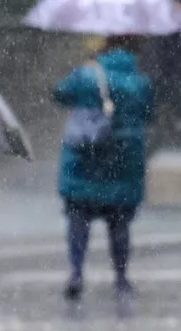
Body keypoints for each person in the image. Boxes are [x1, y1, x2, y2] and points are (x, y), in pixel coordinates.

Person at [53, 34, 154, 301]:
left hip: (84, 160)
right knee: (120, 224)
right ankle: (121, 278)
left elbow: (60, 93)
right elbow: (148, 113)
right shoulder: (140, 82)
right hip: (123, 162)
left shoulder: (86, 75)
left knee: (78, 219)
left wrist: (86, 66)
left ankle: (76, 272)